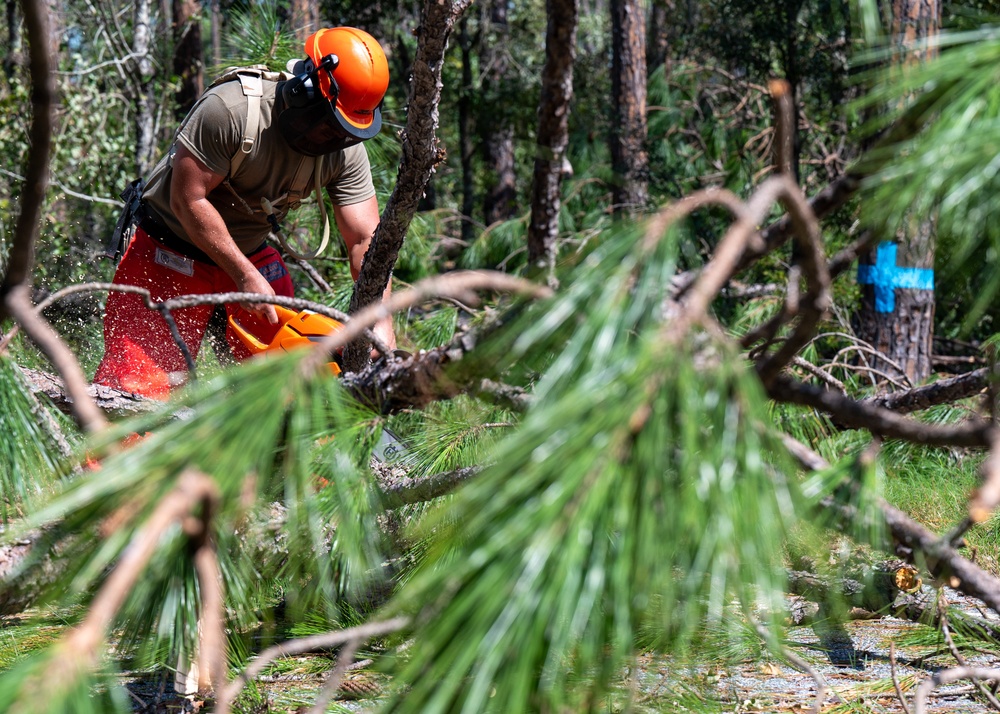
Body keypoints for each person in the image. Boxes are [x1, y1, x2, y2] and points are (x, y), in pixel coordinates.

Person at [94, 27, 396, 400]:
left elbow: (365, 241)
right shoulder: (231, 111)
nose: (331, 137)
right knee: (138, 390)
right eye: (327, 122)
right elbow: (188, 201)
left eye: (344, 129)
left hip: (251, 254)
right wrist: (243, 274)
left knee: (299, 378)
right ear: (303, 88)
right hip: (170, 250)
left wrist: (380, 332)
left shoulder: (344, 151)